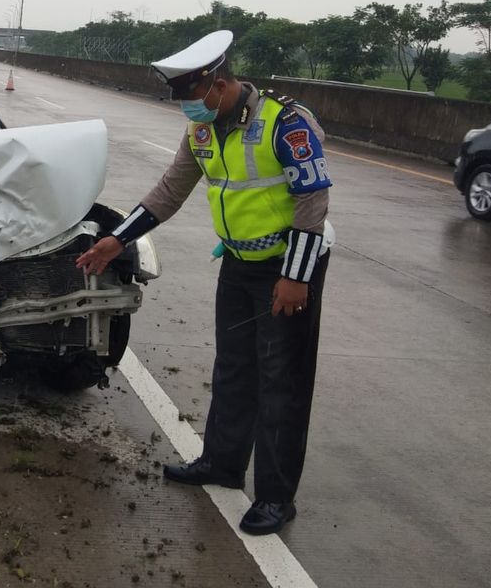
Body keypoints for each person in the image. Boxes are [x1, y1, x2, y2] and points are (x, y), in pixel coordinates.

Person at [76, 30, 333, 536]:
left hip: (289, 269)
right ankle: (221, 462)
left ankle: (277, 499)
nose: (187, 109)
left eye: (192, 98)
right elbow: (170, 190)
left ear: (217, 84)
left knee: (282, 383)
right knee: (234, 367)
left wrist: (296, 278)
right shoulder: (203, 129)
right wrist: (116, 240)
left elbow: (312, 203)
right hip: (238, 264)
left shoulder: (287, 124)